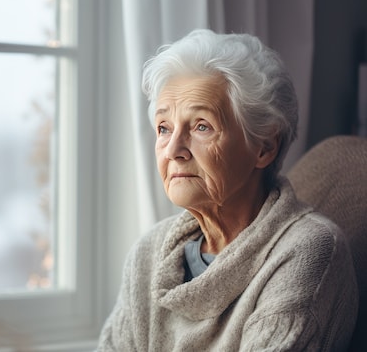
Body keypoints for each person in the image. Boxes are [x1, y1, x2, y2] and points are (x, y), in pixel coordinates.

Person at [97, 29, 358, 351]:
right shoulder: (149, 253)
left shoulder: (308, 250)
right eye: (164, 128)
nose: (173, 149)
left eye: (201, 126)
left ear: (264, 148)